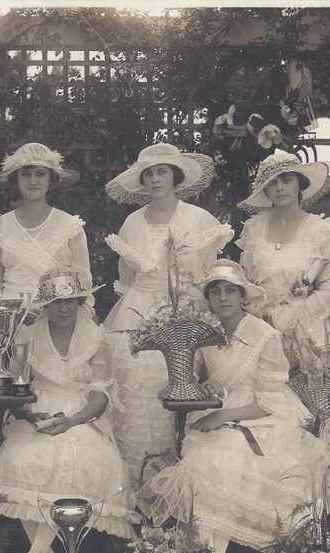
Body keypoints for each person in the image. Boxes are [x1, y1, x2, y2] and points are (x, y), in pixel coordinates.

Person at [141, 260, 328, 553]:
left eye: (230, 291)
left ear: (243, 296)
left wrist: (223, 416)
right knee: (202, 460)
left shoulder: (265, 335)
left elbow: (270, 401)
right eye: (216, 292)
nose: (223, 298)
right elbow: (195, 379)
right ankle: (207, 544)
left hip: (261, 414)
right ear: (209, 299)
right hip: (214, 409)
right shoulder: (202, 332)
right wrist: (204, 387)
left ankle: (230, 540)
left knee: (231, 455)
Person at [235, 151, 330, 518]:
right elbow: (244, 284)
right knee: (269, 407)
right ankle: (279, 501)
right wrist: (262, 310)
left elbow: (329, 292)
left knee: (319, 411)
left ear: (300, 185)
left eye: (287, 180)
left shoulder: (322, 232)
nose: (279, 188)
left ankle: (325, 500)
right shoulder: (253, 231)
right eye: (272, 182)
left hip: (308, 331)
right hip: (263, 330)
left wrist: (295, 313)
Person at [103, 143, 233, 483]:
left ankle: (181, 477)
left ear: (175, 176)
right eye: (149, 174)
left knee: (180, 385)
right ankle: (137, 477)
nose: (156, 179)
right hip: (137, 310)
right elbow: (126, 278)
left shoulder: (198, 219)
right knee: (133, 378)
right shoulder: (132, 222)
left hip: (188, 312)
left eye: (162, 172)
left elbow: (211, 275)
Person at [0, 268, 139, 553]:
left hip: (83, 414)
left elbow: (100, 395)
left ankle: (47, 547)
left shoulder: (96, 337)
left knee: (91, 461)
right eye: (57, 302)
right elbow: (17, 390)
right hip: (37, 414)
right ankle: (46, 547)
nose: (64, 307)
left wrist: (74, 420)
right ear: (45, 305)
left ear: (80, 302)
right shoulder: (26, 335)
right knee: (21, 459)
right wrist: (31, 415)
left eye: (70, 300)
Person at [0, 142, 91, 300]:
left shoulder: (70, 226)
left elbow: (83, 282)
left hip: (58, 318)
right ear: (16, 179)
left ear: (50, 179)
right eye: (26, 174)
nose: (33, 181)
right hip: (13, 317)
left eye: (40, 174)